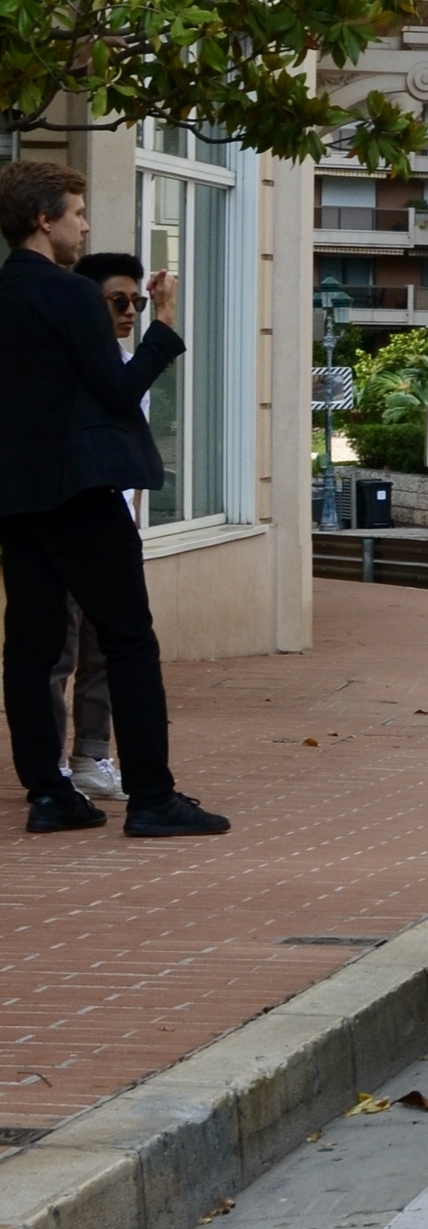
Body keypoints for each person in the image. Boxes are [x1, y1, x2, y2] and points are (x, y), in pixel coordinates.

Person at [0, 160, 228, 836]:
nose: (84, 225)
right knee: (129, 639)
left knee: (30, 646)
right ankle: (154, 798)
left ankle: (49, 793)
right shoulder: (70, 295)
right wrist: (164, 327)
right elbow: (117, 391)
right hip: (81, 491)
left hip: (17, 499)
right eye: (76, 212)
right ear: (44, 220)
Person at [49, 250, 149, 799]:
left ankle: (91, 754)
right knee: (57, 649)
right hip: (68, 519)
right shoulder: (69, 359)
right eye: (118, 300)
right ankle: (52, 764)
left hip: (116, 525)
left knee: (104, 649)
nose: (130, 311)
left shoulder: (129, 363)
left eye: (138, 301)